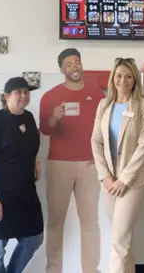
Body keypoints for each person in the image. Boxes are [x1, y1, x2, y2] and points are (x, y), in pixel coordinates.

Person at [39, 48, 105, 273]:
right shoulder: (50, 96)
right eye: (68, 64)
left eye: (77, 62)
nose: (74, 67)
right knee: (56, 222)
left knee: (90, 222)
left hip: (90, 165)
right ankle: (53, 270)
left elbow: (105, 129)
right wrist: (53, 118)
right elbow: (46, 129)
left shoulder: (98, 95)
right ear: (61, 69)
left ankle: (91, 270)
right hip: (59, 164)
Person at [0, 77, 44, 273]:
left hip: (23, 192)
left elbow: (28, 145)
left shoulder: (28, 117)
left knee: (33, 239)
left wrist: (36, 161)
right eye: (18, 92)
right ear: (7, 96)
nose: (23, 96)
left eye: (26, 92)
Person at [91, 57, 144, 273]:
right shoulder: (104, 104)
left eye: (128, 76)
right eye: (119, 76)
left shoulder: (143, 105)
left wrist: (124, 179)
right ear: (112, 78)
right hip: (108, 181)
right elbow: (96, 141)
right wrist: (105, 176)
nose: (123, 80)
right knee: (122, 239)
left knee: (119, 240)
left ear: (135, 80)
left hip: (133, 181)